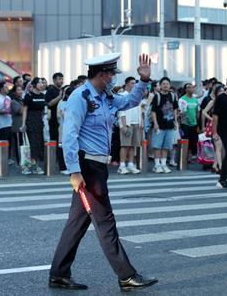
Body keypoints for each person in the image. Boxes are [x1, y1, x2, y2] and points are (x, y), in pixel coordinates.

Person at [49, 53, 157, 292]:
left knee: (76, 224)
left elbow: (130, 101)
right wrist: (74, 172)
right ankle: (126, 275)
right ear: (101, 75)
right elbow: (69, 137)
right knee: (105, 222)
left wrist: (143, 81)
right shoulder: (81, 97)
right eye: (111, 74)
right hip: (87, 168)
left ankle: (58, 274)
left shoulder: (105, 96)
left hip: (98, 166)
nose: (113, 78)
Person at [150, 77, 179, 173]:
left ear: (170, 85)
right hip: (159, 125)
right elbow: (153, 111)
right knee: (157, 146)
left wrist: (175, 121)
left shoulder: (173, 96)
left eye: (167, 83)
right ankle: (157, 165)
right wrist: (155, 124)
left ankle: (163, 164)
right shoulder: (157, 96)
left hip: (170, 125)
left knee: (166, 146)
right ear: (160, 85)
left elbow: (175, 109)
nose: (166, 85)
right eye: (163, 84)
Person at [21, 77, 47, 175]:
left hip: (39, 122)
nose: (42, 84)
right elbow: (25, 110)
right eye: (39, 83)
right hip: (30, 121)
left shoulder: (43, 95)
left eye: (42, 83)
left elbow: (43, 110)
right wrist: (23, 124)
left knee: (38, 144)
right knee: (30, 145)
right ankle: (26, 167)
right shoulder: (29, 96)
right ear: (34, 85)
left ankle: (36, 166)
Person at [118, 77, 142, 174]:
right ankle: (122, 165)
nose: (134, 85)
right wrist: (123, 125)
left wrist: (141, 122)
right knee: (124, 145)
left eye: (135, 84)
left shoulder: (136, 96)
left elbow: (140, 110)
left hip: (136, 122)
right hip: (126, 123)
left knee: (133, 145)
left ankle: (131, 165)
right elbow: (121, 111)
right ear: (127, 84)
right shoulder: (122, 95)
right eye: (132, 83)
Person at [46, 73, 66, 171]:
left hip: (62, 121)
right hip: (53, 120)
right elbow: (49, 104)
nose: (61, 81)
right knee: (55, 140)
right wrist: (59, 97)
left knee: (61, 142)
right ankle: (54, 161)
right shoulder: (51, 90)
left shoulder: (62, 90)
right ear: (54, 80)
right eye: (59, 79)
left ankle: (60, 160)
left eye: (62, 79)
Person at [178, 82, 200, 162]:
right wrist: (182, 123)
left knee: (193, 141)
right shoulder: (182, 100)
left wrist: (198, 123)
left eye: (192, 87)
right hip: (185, 124)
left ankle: (190, 156)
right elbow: (181, 113)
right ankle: (184, 157)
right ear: (186, 89)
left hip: (194, 124)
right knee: (185, 140)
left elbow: (197, 111)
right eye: (189, 87)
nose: (192, 89)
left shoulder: (195, 100)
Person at [0, 82, 13, 163]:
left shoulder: (8, 98)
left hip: (9, 122)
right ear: (1, 89)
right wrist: (6, 111)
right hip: (2, 124)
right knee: (3, 141)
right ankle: (2, 157)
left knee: (9, 142)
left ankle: (8, 158)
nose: (7, 89)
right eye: (5, 87)